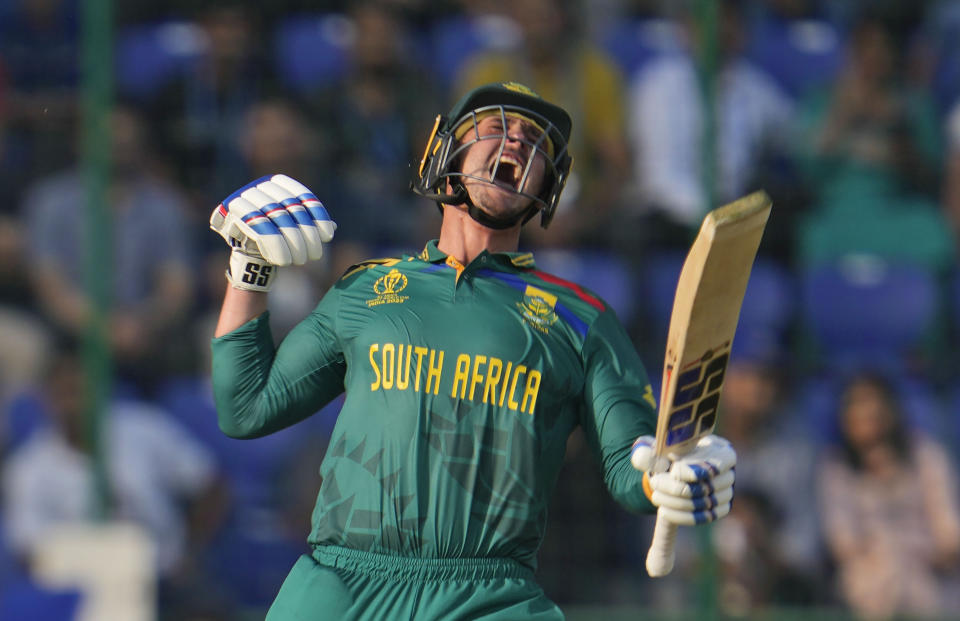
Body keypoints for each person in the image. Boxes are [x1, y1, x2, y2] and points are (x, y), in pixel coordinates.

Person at [208, 81, 737, 619]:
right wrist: (248, 272)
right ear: (444, 154)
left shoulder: (582, 318)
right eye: (495, 128)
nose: (517, 145)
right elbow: (245, 409)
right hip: (341, 587)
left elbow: (633, 470)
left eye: (535, 143)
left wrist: (671, 476)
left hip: (490, 600)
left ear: (547, 187)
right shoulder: (363, 289)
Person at [816, 371, 960, 619]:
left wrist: (918, 555)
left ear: (892, 411)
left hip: (930, 573)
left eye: (875, 409)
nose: (868, 416)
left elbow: (949, 534)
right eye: (857, 408)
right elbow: (843, 544)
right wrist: (888, 556)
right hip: (868, 579)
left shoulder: (927, 456)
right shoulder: (835, 467)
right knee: (876, 575)